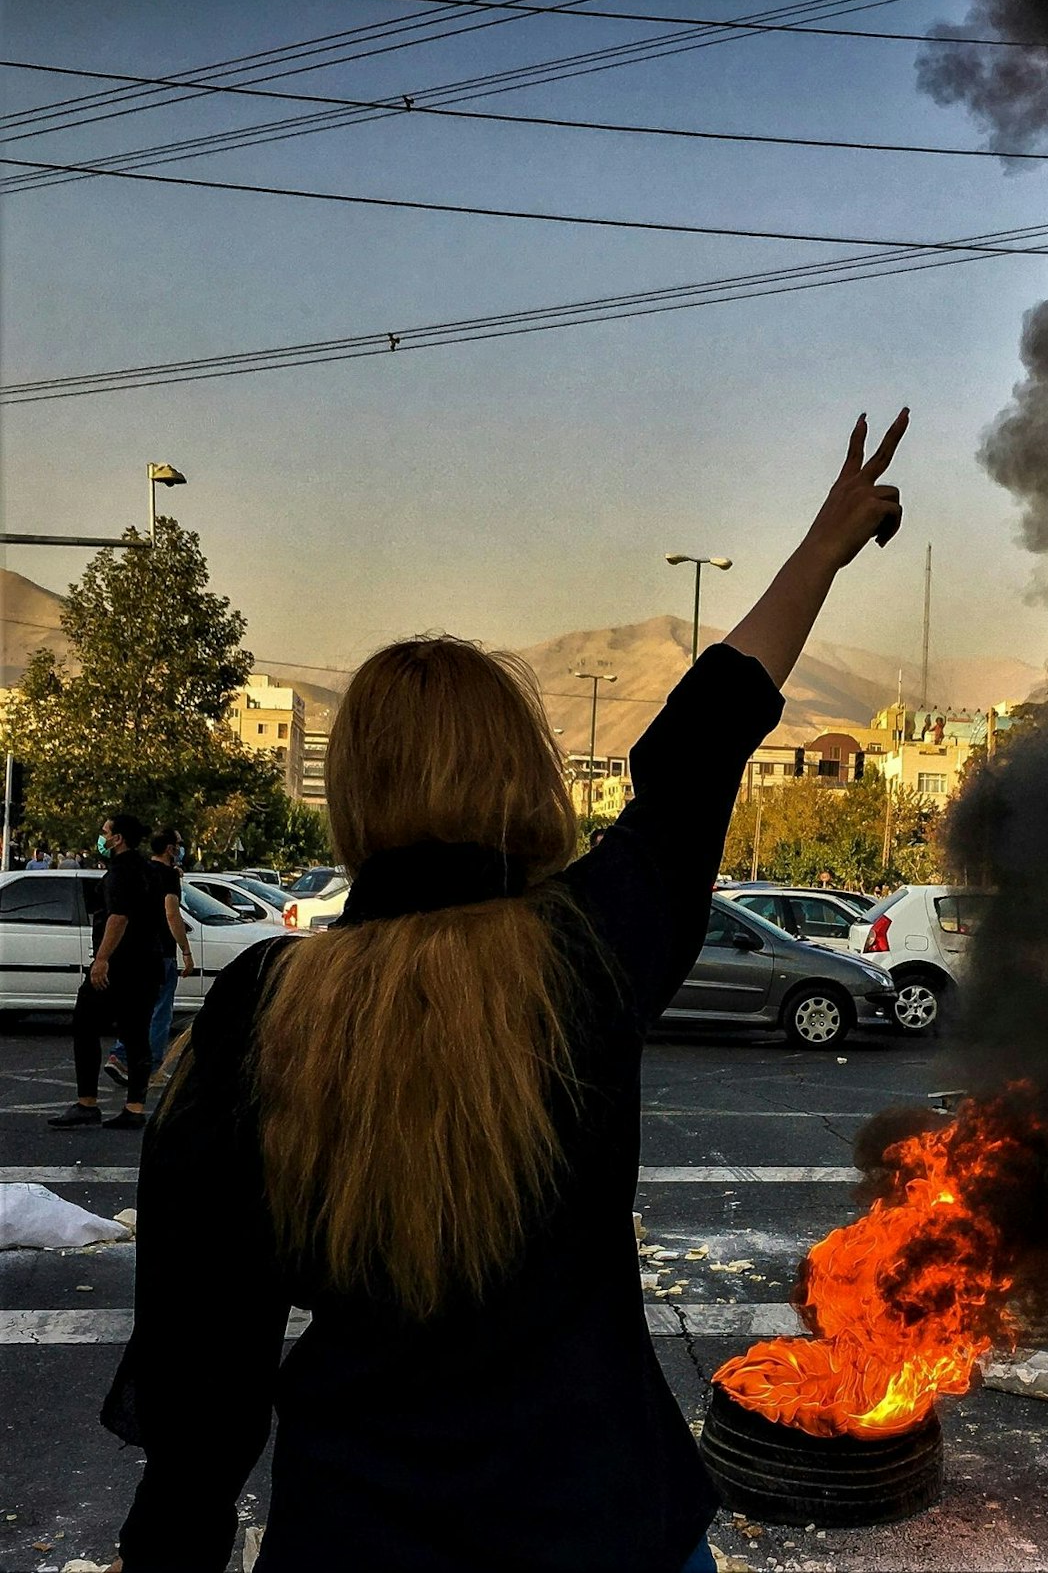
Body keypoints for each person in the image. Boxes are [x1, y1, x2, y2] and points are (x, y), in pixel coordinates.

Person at [100, 408, 908, 1573]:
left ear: (351, 792)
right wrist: (822, 547)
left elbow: (203, 1369)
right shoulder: (586, 951)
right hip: (608, 1525)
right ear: (522, 772)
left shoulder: (267, 1007)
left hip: (360, 1536)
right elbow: (699, 743)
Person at [48, 814, 166, 1131]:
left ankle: (87, 1103)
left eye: (105, 832)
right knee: (137, 1034)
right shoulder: (147, 869)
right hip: (147, 965)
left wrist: (101, 960)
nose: (101, 837)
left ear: (118, 839)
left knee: (85, 1023)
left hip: (122, 967)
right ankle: (134, 1108)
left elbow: (119, 917)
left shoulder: (121, 871)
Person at [105, 829, 196, 1089]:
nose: (181, 848)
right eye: (178, 844)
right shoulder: (168, 876)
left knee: (139, 1008)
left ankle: (122, 1054)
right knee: (160, 1011)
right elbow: (171, 913)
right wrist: (186, 950)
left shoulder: (143, 869)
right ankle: (150, 1066)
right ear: (169, 848)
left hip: (137, 949)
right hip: (162, 952)